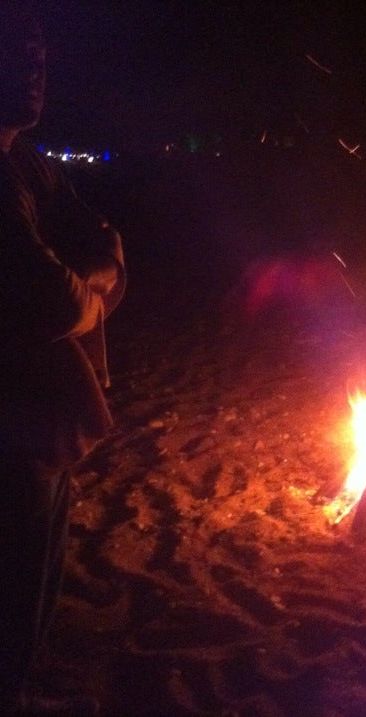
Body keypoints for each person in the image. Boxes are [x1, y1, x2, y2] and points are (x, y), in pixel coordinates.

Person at [0, 6, 125, 713]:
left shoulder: (26, 162)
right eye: (15, 47)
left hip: (43, 434)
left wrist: (89, 283)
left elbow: (105, 244)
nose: (34, 63)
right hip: (10, 437)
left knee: (28, 609)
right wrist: (87, 289)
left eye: (40, 48)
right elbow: (48, 297)